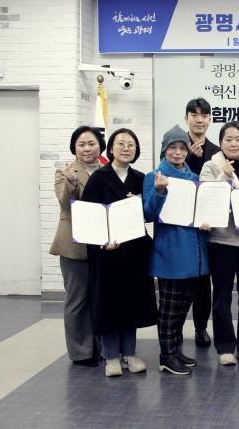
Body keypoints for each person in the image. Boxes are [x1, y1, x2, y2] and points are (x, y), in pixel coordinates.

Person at [81, 128, 157, 377]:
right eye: (121, 143)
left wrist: (138, 204)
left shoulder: (140, 178)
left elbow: (149, 213)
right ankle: (111, 356)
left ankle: (130, 353)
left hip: (134, 252)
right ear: (111, 148)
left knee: (131, 302)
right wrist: (103, 242)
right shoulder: (99, 178)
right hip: (107, 253)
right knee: (109, 304)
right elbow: (89, 216)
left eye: (131, 144)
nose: (126, 148)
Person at [143, 125, 210, 375]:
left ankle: (175, 350)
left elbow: (201, 211)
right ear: (164, 150)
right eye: (172, 147)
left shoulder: (194, 178)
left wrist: (207, 220)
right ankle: (166, 356)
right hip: (170, 252)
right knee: (169, 308)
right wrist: (159, 191)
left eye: (182, 147)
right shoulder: (154, 176)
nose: (178, 152)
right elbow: (148, 213)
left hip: (194, 252)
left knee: (183, 307)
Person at [200, 121, 239, 366]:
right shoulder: (211, 166)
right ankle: (225, 347)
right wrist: (223, 176)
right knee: (222, 296)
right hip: (222, 240)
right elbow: (206, 199)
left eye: (238, 139)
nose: (233, 144)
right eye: (228, 139)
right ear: (221, 143)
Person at [50, 126, 105, 367]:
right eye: (81, 144)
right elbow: (66, 204)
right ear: (74, 147)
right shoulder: (65, 172)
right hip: (74, 245)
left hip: (101, 245)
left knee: (98, 297)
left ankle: (100, 347)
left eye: (91, 143)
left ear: (100, 146)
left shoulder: (107, 171)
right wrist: (71, 184)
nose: (87, 148)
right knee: (77, 299)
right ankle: (81, 352)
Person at [184, 98, 220, 349]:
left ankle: (201, 328)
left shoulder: (217, 152)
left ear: (209, 119)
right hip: (183, 224)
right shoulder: (176, 146)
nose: (200, 120)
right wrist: (190, 158)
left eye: (204, 115)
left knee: (204, 280)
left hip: (210, 223)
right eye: (194, 115)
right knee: (183, 278)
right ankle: (175, 328)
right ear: (186, 118)